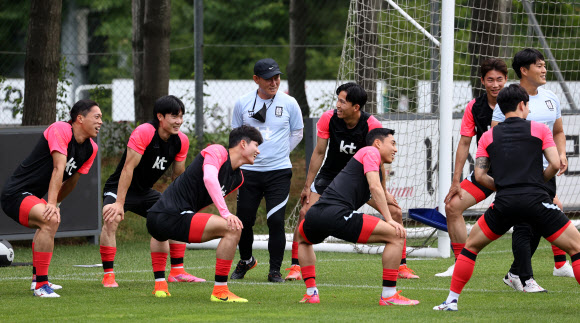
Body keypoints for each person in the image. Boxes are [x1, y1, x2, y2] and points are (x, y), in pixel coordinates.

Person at [433, 84, 580, 311]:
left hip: (504, 203)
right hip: (536, 200)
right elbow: (555, 163)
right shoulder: (539, 129)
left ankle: (451, 300)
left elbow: (480, 175)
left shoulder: (488, 136)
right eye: (528, 106)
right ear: (522, 105)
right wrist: (538, 182)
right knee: (576, 247)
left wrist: (502, 187)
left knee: (470, 248)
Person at [286, 82, 418, 281]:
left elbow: (378, 160)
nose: (337, 105)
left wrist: (384, 190)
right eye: (337, 100)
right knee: (305, 212)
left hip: (359, 177)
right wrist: (307, 185)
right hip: (330, 176)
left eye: (342, 101)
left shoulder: (371, 125)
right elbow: (319, 152)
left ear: (356, 107)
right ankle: (296, 266)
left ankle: (402, 265)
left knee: (395, 212)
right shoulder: (328, 118)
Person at [297, 128, 419, 306]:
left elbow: (371, 193)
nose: (396, 149)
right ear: (378, 143)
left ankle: (311, 293)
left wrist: (388, 204)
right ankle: (389, 295)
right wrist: (390, 220)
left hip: (316, 213)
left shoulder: (363, 167)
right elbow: (375, 187)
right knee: (396, 235)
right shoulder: (370, 151)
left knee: (302, 239)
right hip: (337, 214)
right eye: (392, 143)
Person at [146, 125, 263, 301]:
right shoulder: (217, 151)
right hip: (167, 217)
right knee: (233, 228)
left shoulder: (238, 178)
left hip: (160, 218)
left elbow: (201, 199)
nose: (259, 151)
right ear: (243, 144)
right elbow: (209, 178)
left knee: (162, 233)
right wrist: (226, 213)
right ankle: (220, 291)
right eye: (256, 145)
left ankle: (160, 286)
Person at [99, 95, 204, 288]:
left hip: (145, 191)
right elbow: (127, 169)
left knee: (174, 215)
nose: (179, 121)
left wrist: (180, 202)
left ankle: (177, 271)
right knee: (111, 219)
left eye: (181, 116)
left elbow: (178, 177)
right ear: (160, 117)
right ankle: (108, 275)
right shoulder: (145, 132)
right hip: (119, 187)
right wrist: (119, 203)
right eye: (174, 116)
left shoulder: (181, 140)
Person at [0, 100, 101, 297]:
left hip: (31, 196)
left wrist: (56, 204)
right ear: (79, 119)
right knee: (50, 219)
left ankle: (37, 280)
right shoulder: (61, 129)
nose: (101, 122)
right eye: (97, 117)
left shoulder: (91, 149)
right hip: (14, 193)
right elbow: (58, 168)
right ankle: (41, 286)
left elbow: (71, 181)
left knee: (48, 220)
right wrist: (51, 205)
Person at [491, 49, 573, 292]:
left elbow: (557, 131)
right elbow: (495, 135)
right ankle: (525, 279)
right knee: (525, 224)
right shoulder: (509, 99)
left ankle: (515, 273)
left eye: (544, 65)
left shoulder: (551, 98)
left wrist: (561, 154)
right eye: (539, 65)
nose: (544, 69)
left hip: (545, 173)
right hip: (521, 174)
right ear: (524, 70)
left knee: (536, 223)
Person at [230, 58, 304, 283]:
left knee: (275, 221)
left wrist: (280, 154)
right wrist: (245, 160)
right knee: (244, 221)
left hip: (278, 172)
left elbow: (297, 133)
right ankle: (246, 260)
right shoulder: (242, 103)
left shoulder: (290, 103)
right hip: (248, 173)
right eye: (268, 78)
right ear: (256, 79)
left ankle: (274, 271)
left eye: (277, 77)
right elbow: (236, 137)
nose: (274, 82)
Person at [436, 58, 508, 277]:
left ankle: (559, 264)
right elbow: (464, 143)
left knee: (549, 207)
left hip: (517, 172)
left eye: (499, 80)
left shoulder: (517, 103)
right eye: (490, 80)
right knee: (452, 206)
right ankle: (461, 263)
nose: (495, 85)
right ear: (482, 81)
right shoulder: (474, 107)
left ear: (506, 80)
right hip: (485, 172)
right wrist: (456, 181)